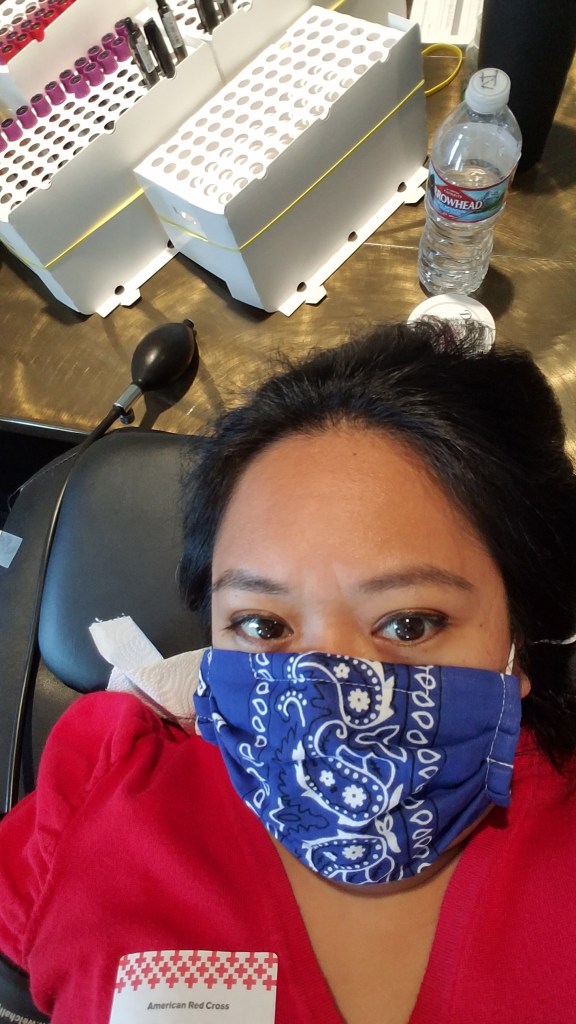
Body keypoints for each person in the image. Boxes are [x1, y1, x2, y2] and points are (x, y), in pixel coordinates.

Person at [1, 320, 576, 1024]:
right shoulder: (99, 795)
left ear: (522, 633)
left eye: (409, 624)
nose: (324, 695)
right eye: (265, 626)